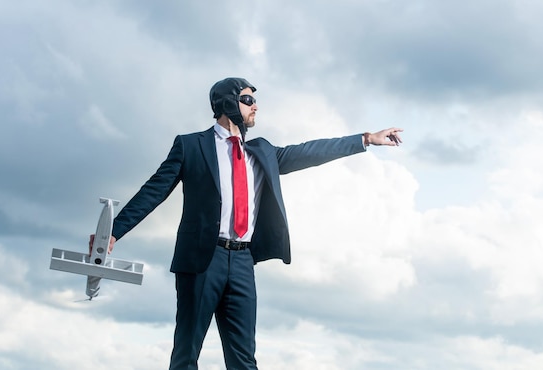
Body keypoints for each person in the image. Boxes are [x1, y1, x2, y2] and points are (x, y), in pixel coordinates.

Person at [89, 77, 403, 369]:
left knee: (244, 361)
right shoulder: (191, 146)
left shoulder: (262, 151)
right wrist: (114, 231)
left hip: (242, 261)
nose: (255, 106)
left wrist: (365, 139)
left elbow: (309, 151)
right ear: (227, 102)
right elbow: (154, 191)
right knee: (186, 354)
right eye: (247, 99)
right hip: (202, 259)